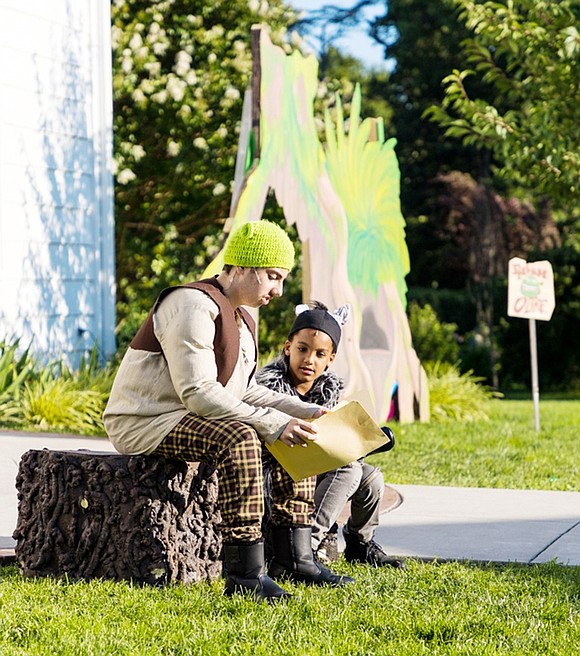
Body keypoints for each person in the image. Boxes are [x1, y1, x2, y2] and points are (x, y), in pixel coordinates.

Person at [103, 221, 353, 602]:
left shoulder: (241, 316)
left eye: (282, 279)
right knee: (241, 436)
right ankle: (245, 575)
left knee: (296, 427)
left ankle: (293, 556)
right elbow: (199, 394)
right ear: (241, 267)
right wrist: (273, 424)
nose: (278, 290)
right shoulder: (191, 305)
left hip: (186, 416)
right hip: (146, 421)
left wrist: (304, 411)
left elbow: (245, 390)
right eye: (272, 277)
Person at [256, 301, 405, 569]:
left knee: (371, 477)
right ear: (288, 347)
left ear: (330, 359)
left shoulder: (328, 391)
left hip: (315, 467)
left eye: (319, 354)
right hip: (277, 472)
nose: (309, 360)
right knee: (347, 469)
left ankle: (360, 542)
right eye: (302, 349)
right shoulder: (268, 388)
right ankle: (304, 548)